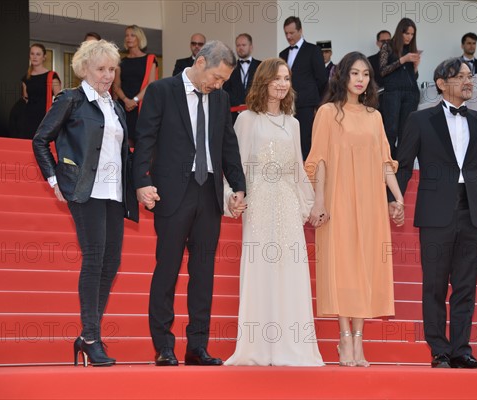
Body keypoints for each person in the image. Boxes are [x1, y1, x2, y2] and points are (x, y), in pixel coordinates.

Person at [133, 40, 247, 367]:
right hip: (172, 192)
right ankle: (163, 345)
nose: (218, 84)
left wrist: (239, 186)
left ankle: (197, 345)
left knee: (203, 274)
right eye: (216, 77)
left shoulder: (221, 99)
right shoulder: (161, 91)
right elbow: (146, 139)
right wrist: (142, 180)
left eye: (224, 80)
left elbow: (228, 145)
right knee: (167, 269)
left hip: (208, 193)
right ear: (199, 62)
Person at [391, 58, 477, 369]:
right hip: (435, 212)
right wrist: (394, 198)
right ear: (442, 84)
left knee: (466, 286)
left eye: (470, 76)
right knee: (435, 285)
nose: (469, 81)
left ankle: (461, 351)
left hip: (472, 211)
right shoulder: (420, 120)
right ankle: (439, 350)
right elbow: (403, 165)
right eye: (460, 77)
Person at [32, 39, 138, 367]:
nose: (108, 75)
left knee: (112, 263)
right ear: (84, 70)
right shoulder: (71, 99)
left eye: (111, 69)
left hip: (114, 192)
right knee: (94, 259)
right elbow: (41, 139)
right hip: (85, 190)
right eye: (101, 69)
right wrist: (54, 181)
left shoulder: (114, 106)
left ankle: (85, 335)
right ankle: (92, 338)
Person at [306, 52, 405, 367]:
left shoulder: (374, 116)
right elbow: (319, 160)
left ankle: (359, 342)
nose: (361, 79)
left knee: (365, 269)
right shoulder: (327, 113)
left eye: (366, 74)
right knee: (343, 268)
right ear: (342, 76)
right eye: (355, 73)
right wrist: (319, 200)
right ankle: (343, 338)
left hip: (370, 201)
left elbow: (385, 161)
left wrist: (397, 197)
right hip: (338, 199)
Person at [224, 58, 324, 366]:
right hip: (259, 201)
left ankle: (291, 346)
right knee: (260, 271)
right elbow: (235, 165)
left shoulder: (293, 123)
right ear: (263, 80)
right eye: (277, 78)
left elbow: (296, 168)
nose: (282, 84)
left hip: (288, 202)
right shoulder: (246, 120)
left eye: (287, 78)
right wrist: (231, 196)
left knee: (289, 271)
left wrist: (310, 205)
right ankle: (257, 347)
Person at [279, 16, 327, 160]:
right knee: (288, 140)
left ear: (300, 30)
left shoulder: (313, 50)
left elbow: (322, 79)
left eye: (292, 33)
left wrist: (314, 102)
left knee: (305, 141)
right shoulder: (283, 54)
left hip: (307, 105)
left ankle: (308, 177)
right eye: (286, 33)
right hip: (286, 105)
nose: (288, 36)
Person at [379, 18, 421, 157]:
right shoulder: (388, 46)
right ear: (400, 32)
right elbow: (383, 71)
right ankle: (387, 162)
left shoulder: (411, 49)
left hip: (411, 93)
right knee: (391, 129)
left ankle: (402, 166)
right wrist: (403, 60)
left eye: (412, 34)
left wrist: (415, 67)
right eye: (407, 33)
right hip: (393, 92)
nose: (409, 37)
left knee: (406, 131)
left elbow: (413, 77)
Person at [113, 25, 158, 143]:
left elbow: (151, 84)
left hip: (141, 107)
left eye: (132, 35)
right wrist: (126, 100)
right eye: (127, 35)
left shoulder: (150, 59)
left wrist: (135, 100)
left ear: (139, 38)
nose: (129, 38)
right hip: (124, 107)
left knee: (142, 143)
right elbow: (116, 85)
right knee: (124, 143)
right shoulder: (121, 62)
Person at [21, 43, 61, 139]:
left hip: (45, 119)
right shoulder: (26, 78)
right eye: (32, 54)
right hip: (27, 120)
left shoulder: (52, 77)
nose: (34, 57)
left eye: (38, 54)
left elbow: (60, 101)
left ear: (44, 57)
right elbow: (25, 99)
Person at [222, 33, 261, 123]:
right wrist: (239, 105)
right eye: (238, 45)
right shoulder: (229, 67)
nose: (240, 48)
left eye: (243, 45)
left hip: (255, 113)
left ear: (251, 47)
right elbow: (226, 89)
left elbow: (263, 88)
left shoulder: (260, 66)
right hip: (235, 115)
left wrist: (250, 105)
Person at [367, 30, 392, 113]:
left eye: (389, 41)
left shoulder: (398, 59)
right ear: (377, 43)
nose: (386, 43)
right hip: (378, 101)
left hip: (396, 100)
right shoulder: (370, 60)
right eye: (383, 41)